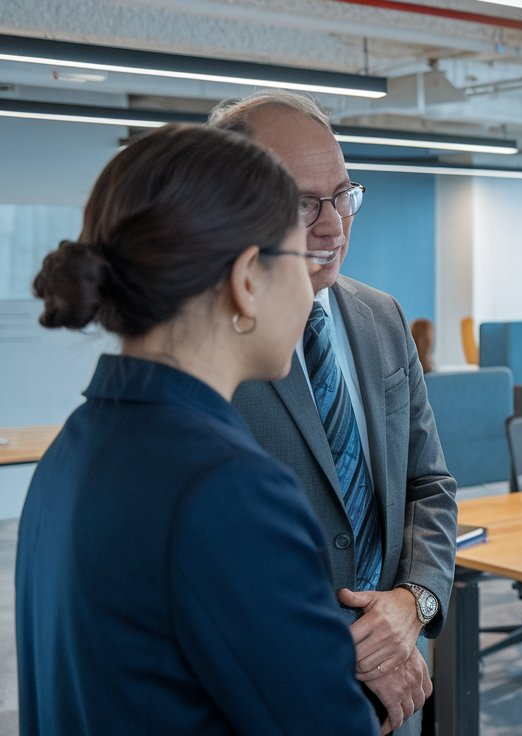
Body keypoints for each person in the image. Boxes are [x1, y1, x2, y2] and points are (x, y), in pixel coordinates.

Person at [16, 123, 376, 733]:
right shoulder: (229, 490)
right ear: (245, 282)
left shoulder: (76, 446)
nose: (317, 279)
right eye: (299, 256)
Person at [211, 91, 457, 734]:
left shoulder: (381, 316)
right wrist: (348, 648)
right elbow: (220, 545)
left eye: (343, 196)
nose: (334, 226)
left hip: (400, 673)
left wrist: (414, 603)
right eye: (301, 203)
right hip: (275, 694)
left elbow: (427, 483)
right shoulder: (208, 340)